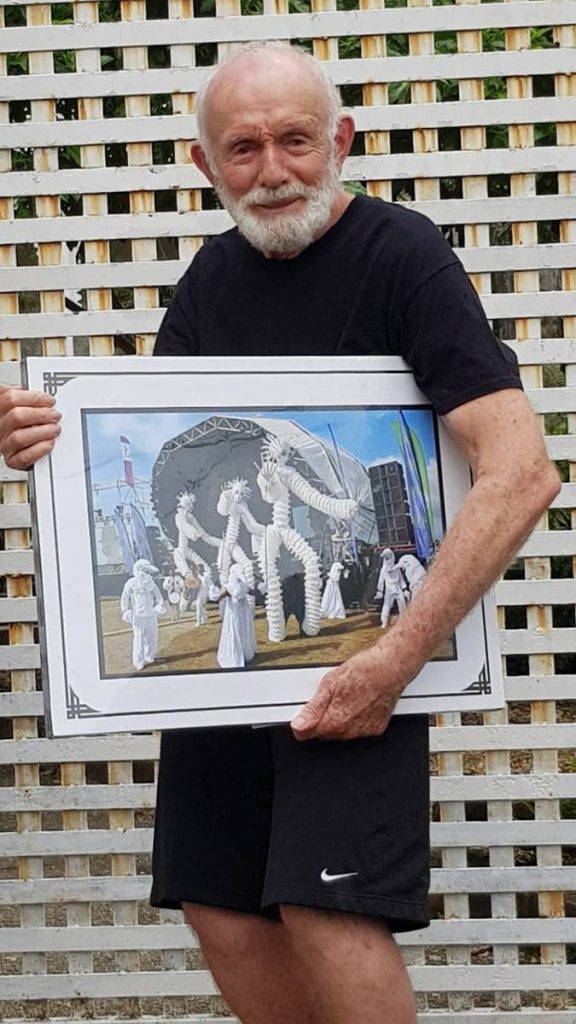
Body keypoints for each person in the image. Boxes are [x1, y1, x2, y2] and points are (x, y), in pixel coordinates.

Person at [0, 41, 560, 1024]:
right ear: (205, 165)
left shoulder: (405, 258)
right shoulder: (210, 281)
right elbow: (138, 453)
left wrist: (392, 661)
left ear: (341, 139)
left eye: (294, 141)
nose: (271, 172)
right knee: (220, 906)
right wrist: (46, 439)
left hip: (371, 658)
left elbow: (521, 471)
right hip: (226, 671)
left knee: (324, 902)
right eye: (244, 149)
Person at [120, 558, 165, 671]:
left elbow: (158, 597)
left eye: (148, 572)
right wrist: (125, 610)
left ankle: (149, 656)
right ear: (139, 570)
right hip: (138, 617)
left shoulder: (151, 583)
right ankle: (138, 661)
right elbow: (124, 597)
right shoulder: (131, 583)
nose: (148, 574)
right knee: (139, 639)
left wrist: (159, 606)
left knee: (152, 637)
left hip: (151, 615)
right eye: (146, 572)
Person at [375, 547, 407, 628]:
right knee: (386, 606)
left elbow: (401, 579)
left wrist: (404, 589)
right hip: (389, 589)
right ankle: (384, 621)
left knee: (402, 603)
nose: (387, 559)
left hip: (397, 587)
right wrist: (380, 590)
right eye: (386, 558)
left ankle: (403, 621)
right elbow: (381, 580)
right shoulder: (384, 570)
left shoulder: (397, 568)